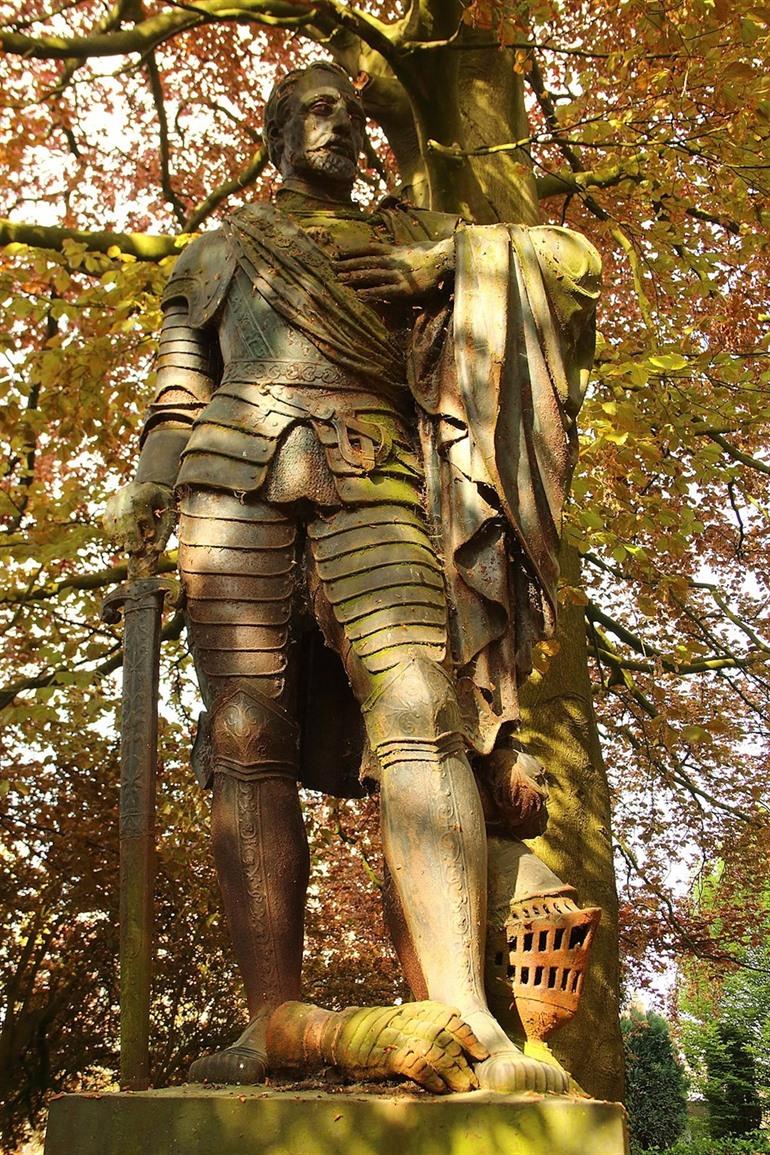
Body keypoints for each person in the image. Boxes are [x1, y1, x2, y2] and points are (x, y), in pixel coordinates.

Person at [105, 61, 600, 1094]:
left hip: (375, 476)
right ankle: (269, 1017)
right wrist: (145, 492)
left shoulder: (409, 238)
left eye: (348, 114)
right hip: (227, 489)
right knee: (245, 737)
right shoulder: (215, 253)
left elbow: (572, 267)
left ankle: (466, 1012)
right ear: (277, 135)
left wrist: (445, 267)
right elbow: (179, 393)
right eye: (314, 111)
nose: (336, 126)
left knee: (421, 711)